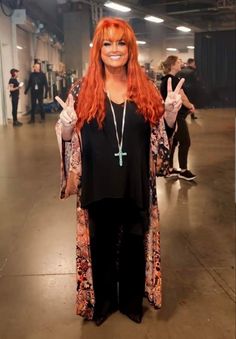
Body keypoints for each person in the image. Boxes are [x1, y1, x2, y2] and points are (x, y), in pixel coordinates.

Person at [55, 17, 183, 326]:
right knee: (99, 247)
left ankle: (129, 301)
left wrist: (169, 115)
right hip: (98, 187)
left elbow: (158, 141)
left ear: (131, 48)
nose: (115, 50)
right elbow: (69, 140)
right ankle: (104, 303)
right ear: (98, 49)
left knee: (133, 246)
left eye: (121, 42)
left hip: (134, 184)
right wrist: (68, 130)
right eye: (107, 43)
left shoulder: (147, 89)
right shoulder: (81, 89)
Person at [160, 55, 196, 181]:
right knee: (185, 142)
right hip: (176, 116)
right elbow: (182, 95)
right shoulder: (172, 80)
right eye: (178, 61)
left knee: (173, 142)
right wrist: (190, 106)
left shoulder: (167, 79)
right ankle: (183, 170)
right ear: (172, 65)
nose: (181, 62)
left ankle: (169, 168)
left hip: (171, 116)